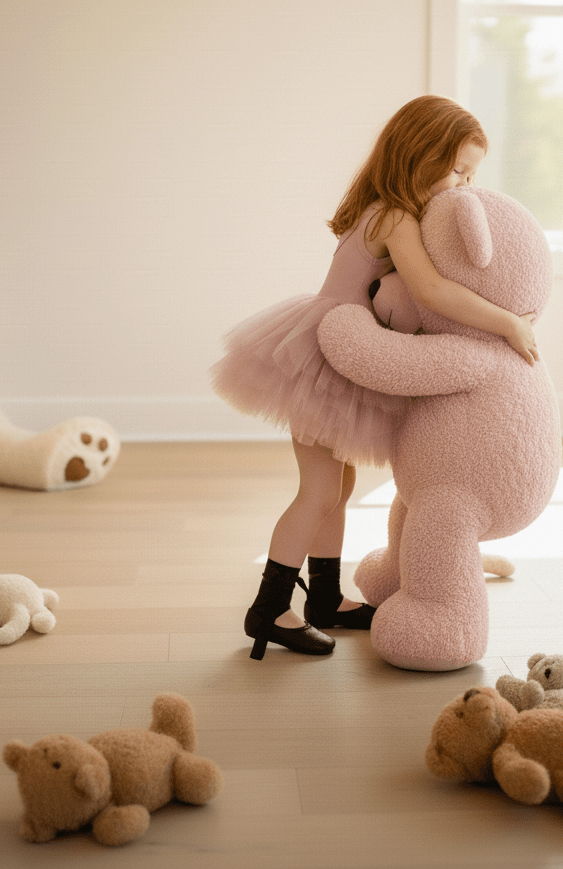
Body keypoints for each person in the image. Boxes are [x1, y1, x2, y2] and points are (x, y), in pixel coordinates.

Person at [210, 95, 539, 660]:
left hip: (331, 353)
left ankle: (325, 599)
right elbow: (435, 292)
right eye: (458, 169)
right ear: (421, 153)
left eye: (473, 174)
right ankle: (268, 609)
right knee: (316, 492)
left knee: (337, 489)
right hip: (325, 359)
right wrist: (508, 322)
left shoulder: (380, 209)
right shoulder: (395, 216)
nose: (464, 185)